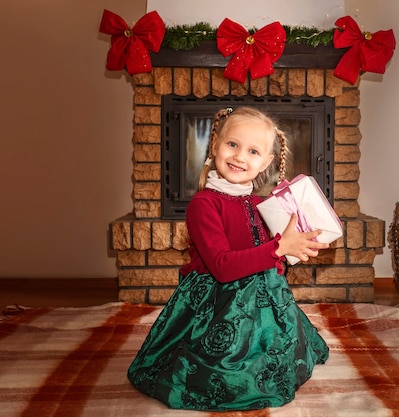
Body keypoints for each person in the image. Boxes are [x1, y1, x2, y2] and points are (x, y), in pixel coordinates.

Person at [127, 106, 330, 411]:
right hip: (215, 301)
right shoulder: (203, 205)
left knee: (283, 346)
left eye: (252, 151)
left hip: (260, 298)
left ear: (266, 162)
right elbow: (222, 267)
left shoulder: (262, 204)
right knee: (227, 368)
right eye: (232, 145)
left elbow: (268, 256)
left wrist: (296, 246)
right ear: (215, 144)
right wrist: (278, 248)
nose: (239, 157)